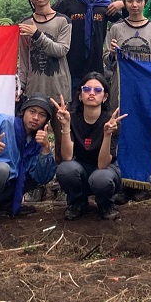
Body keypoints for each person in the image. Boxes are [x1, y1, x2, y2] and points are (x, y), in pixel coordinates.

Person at [0, 95, 58, 232]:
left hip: (3, 189)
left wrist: (45, 148)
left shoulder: (37, 141)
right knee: (2, 169)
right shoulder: (2, 122)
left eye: (42, 115)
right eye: (32, 111)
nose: (36, 118)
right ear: (23, 111)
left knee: (28, 171)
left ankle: (6, 206)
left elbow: (42, 177)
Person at [54, 75, 126, 220]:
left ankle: (105, 204)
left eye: (97, 90)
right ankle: (77, 203)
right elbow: (67, 157)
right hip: (80, 168)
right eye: (86, 89)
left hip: (106, 170)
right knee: (65, 169)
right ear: (80, 96)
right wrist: (66, 126)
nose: (91, 93)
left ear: (105, 97)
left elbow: (103, 164)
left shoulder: (111, 123)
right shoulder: (72, 117)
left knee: (100, 178)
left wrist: (107, 135)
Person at [53, 0, 123, 96]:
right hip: (71, 66)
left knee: (94, 100)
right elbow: (47, 15)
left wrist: (123, 3)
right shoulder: (68, 3)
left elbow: (126, 21)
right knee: (71, 102)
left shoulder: (105, 6)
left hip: (96, 66)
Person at [17, 0, 72, 103]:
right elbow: (24, 60)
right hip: (33, 90)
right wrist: (21, 85)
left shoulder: (63, 21)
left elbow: (61, 50)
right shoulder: (25, 23)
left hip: (59, 90)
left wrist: (37, 35)